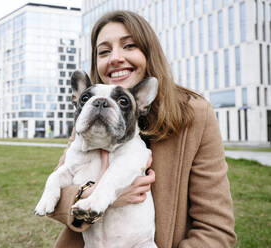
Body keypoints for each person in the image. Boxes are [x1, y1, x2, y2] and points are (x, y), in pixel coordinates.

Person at [49, 10, 236, 247]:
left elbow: (215, 228)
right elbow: (56, 197)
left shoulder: (196, 113)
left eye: (129, 46)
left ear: (149, 52)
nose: (115, 58)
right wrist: (100, 195)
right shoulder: (92, 114)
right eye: (104, 51)